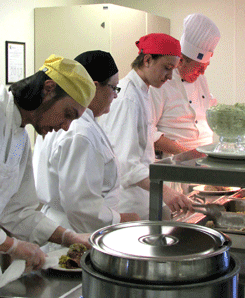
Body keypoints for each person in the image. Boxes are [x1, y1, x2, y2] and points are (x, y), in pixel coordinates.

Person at [0, 54, 96, 298]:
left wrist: (68, 237)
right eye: (68, 114)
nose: (65, 126)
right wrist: (13, 246)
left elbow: (18, 211)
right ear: (48, 89)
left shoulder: (19, 136)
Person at [33, 50, 141, 253]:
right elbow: (80, 205)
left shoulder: (77, 123)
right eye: (113, 88)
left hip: (68, 229)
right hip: (75, 234)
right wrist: (120, 219)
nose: (115, 95)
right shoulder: (79, 132)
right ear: (94, 86)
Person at [99, 33, 194, 220]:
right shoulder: (127, 97)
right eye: (167, 68)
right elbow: (125, 162)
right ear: (148, 60)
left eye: (173, 69)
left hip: (141, 197)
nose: (169, 76)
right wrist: (166, 191)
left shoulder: (143, 91)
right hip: (127, 200)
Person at [150, 13, 221, 156]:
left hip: (203, 159)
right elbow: (149, 134)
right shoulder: (160, 84)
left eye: (205, 67)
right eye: (198, 68)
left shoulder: (201, 80)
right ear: (180, 61)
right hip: (175, 163)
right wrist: (187, 154)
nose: (201, 73)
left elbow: (210, 109)